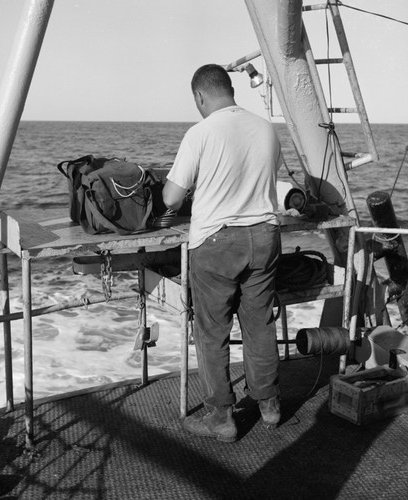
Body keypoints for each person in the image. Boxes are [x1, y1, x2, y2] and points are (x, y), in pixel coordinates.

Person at [163, 64, 282, 442]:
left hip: (216, 243)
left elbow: (170, 197)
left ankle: (222, 418)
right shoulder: (266, 128)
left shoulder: (200, 132)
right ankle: (269, 406)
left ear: (200, 96)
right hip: (264, 237)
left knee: (212, 331)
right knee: (259, 324)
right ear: (230, 90)